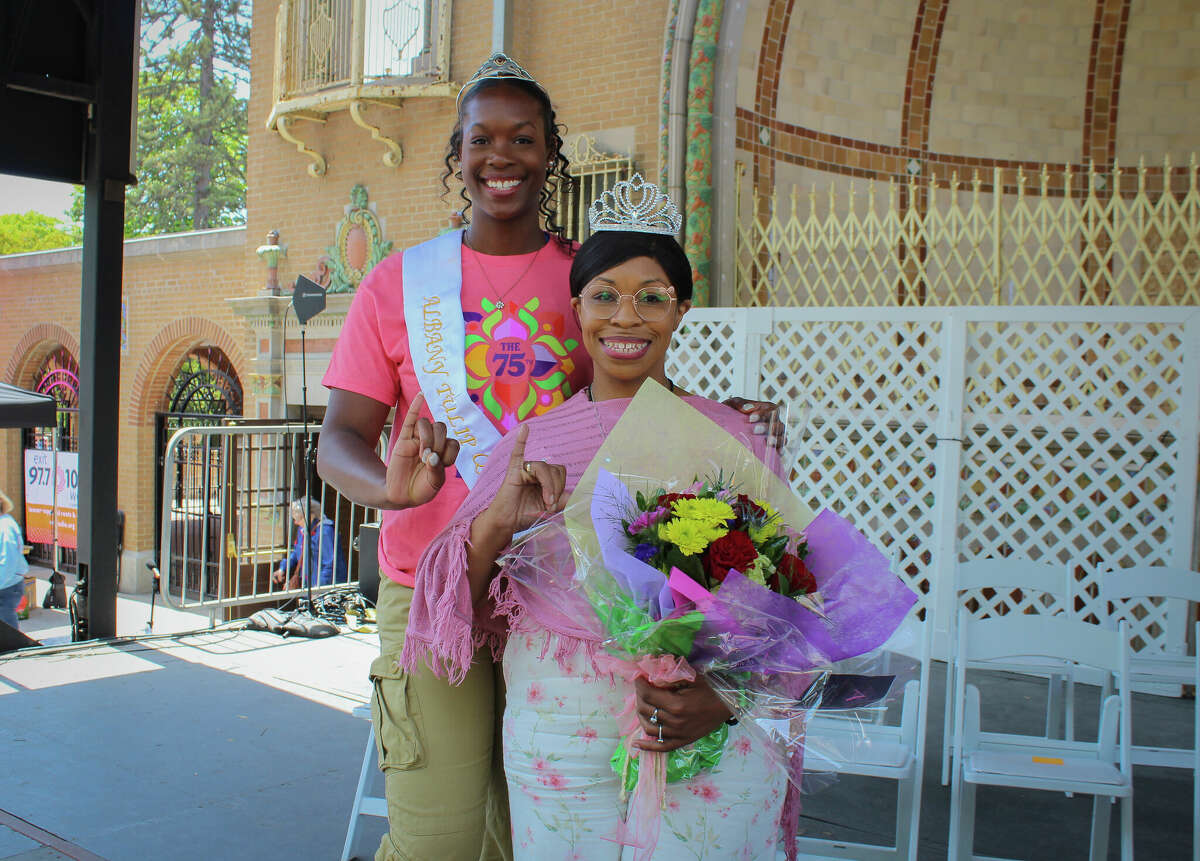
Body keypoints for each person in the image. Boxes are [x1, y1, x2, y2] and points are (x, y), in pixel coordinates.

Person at [317, 54, 777, 861]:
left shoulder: (592, 277)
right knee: (441, 838)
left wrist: (718, 418)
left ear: (549, 151)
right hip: (436, 582)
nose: (503, 157)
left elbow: (630, 384)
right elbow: (337, 439)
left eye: (523, 138)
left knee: (538, 826)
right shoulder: (398, 284)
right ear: (456, 154)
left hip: (572, 604)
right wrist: (388, 493)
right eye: (482, 139)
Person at [402, 176, 787, 859]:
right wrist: (496, 522)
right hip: (561, 732)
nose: (626, 316)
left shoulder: (733, 435)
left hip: (708, 729)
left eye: (652, 297)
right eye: (605, 294)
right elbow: (442, 606)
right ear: (577, 307)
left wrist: (722, 698)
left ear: (682, 310)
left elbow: (793, 597)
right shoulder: (534, 441)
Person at [272, 497, 348, 588]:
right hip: (309, 585)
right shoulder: (303, 529)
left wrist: (318, 588)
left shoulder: (325, 531)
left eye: (298, 519)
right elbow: (297, 552)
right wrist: (282, 568)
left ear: (309, 516)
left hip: (325, 588)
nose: (295, 522)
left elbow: (330, 565)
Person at [0, 489, 30, 630]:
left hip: (6, 587)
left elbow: (8, 562)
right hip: (7, 584)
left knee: (6, 630)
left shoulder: (4, 526)